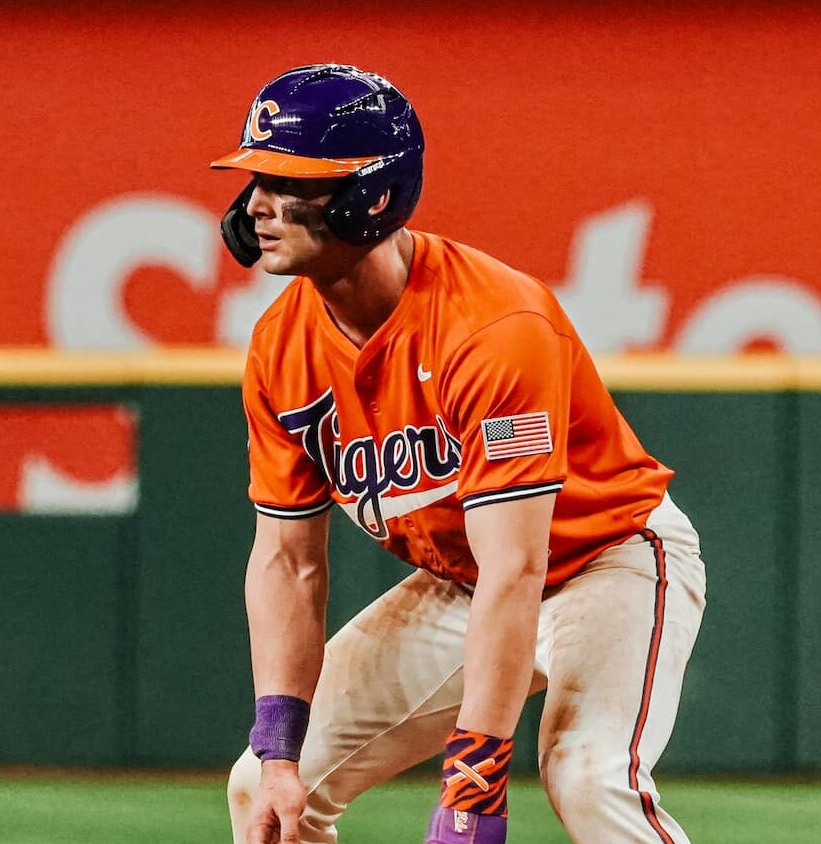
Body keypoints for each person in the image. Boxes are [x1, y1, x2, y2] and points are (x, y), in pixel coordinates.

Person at [215, 64, 707, 844]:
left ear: (370, 196)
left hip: (609, 560)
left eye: (290, 182)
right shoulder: (281, 349)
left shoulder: (494, 326)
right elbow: (287, 562)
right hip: (463, 583)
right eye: (255, 180)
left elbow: (519, 564)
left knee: (587, 775)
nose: (257, 206)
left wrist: (473, 778)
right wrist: (279, 749)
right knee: (263, 787)